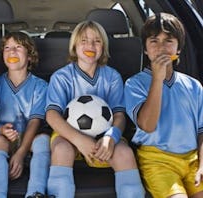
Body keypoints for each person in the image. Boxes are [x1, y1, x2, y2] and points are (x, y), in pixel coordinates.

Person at [45, 20, 145, 198]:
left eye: (97, 41)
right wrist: (79, 140)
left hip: (105, 135)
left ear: (104, 47)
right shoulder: (61, 77)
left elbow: (119, 115)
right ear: (74, 46)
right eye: (84, 40)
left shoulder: (112, 77)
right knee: (62, 149)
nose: (90, 45)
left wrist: (111, 138)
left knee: (124, 153)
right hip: (68, 135)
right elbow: (52, 115)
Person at [124, 12, 203, 198]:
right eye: (154, 41)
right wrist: (157, 79)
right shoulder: (134, 84)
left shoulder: (194, 86)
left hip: (193, 159)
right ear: (145, 49)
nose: (161, 47)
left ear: (178, 49)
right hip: (157, 160)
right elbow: (148, 125)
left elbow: (202, 130)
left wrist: (201, 165)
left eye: (169, 41)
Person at [0, 32, 51, 198]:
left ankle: (35, 192)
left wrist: (21, 153)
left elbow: (35, 122)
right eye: (7, 48)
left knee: (43, 140)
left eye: (18, 47)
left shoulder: (40, 86)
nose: (12, 52)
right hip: (3, 139)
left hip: (29, 140)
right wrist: (0, 129)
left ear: (30, 56)